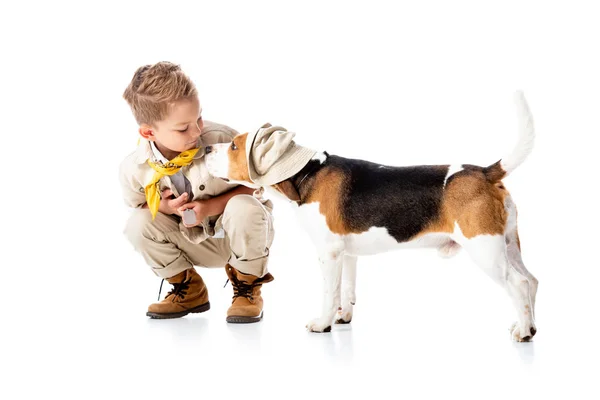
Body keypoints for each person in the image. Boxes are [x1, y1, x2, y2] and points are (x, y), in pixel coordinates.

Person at [119, 61, 274, 323]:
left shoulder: (222, 139)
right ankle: (189, 289)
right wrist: (165, 208)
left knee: (244, 207)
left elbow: (258, 184)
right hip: (190, 242)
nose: (197, 130)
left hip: (243, 237)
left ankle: (247, 288)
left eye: (199, 117)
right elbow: (139, 206)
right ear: (149, 132)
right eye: (183, 128)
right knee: (137, 225)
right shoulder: (135, 167)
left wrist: (210, 207)